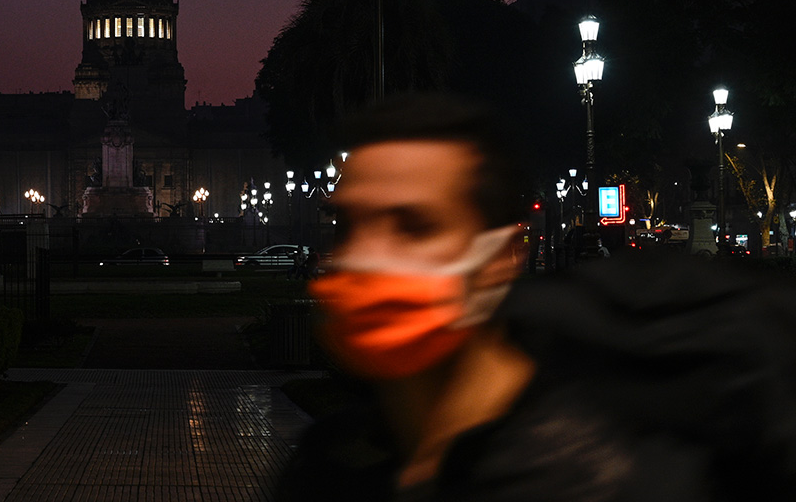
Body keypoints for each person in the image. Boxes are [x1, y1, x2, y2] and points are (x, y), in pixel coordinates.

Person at [276, 92, 796, 501]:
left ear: (501, 256)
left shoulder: (595, 473)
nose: (364, 257)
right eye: (346, 225)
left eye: (414, 227)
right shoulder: (331, 463)